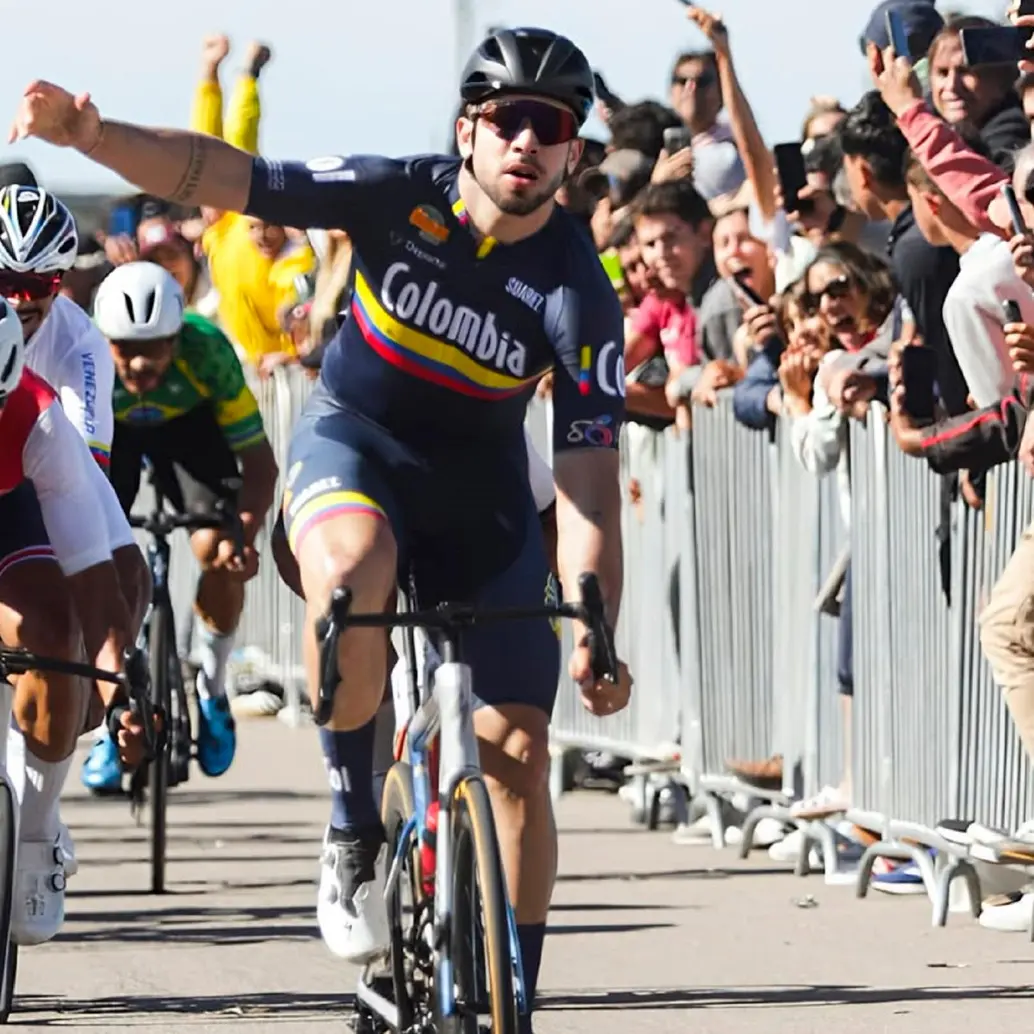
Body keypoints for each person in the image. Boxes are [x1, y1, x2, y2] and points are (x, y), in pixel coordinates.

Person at [7, 27, 632, 1032]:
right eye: (506, 118)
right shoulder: (395, 193)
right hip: (355, 452)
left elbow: (589, 477)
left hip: (482, 498)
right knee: (352, 573)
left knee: (516, 746)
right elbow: (222, 172)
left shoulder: (576, 287)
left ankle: (513, 989)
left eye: (548, 125)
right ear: (468, 128)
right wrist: (91, 133)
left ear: (569, 149)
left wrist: (598, 616)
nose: (525, 140)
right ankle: (351, 829)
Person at [82, 263, 278, 789]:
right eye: (124, 347)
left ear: (178, 337)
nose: (141, 362)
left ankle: (212, 688)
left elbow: (259, 464)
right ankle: (112, 721)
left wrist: (244, 533)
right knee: (96, 555)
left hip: (190, 431)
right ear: (104, 339)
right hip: (112, 431)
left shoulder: (207, 352)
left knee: (217, 551)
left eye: (157, 347)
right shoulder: (86, 357)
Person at [0, 299, 148, 946]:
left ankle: (33, 833)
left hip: (16, 513)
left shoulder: (37, 417)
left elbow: (94, 579)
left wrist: (121, 698)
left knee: (62, 642)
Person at [0, 185, 152, 805]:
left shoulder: (80, 345)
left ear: (60, 282)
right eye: (5, 278)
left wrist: (104, 661)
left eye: (38, 284)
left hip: (45, 456)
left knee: (123, 574)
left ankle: (80, 707)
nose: (18, 297)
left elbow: (80, 477)